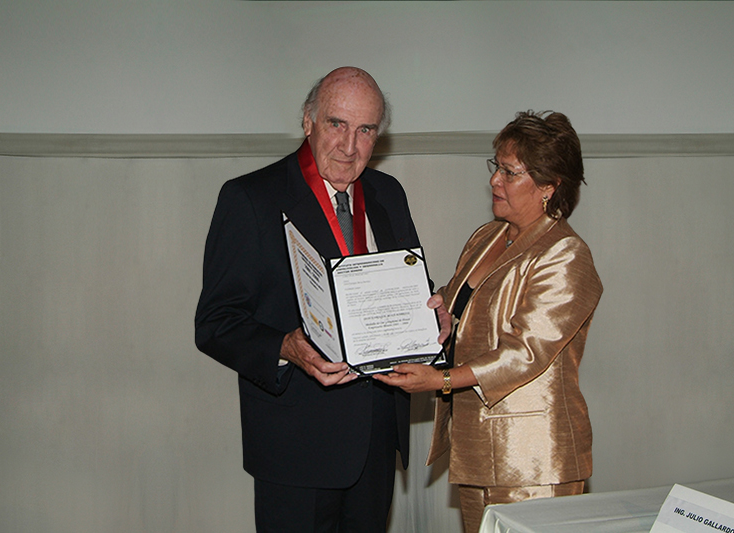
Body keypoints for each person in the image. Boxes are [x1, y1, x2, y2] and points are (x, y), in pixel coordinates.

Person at [195, 67, 449, 532]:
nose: (350, 146)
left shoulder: (388, 194)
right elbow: (215, 322)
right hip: (296, 447)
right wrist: (284, 346)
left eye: (366, 130)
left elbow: (410, 287)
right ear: (308, 121)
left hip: (375, 437)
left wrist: (434, 314)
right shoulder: (250, 198)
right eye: (337, 124)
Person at [375, 111, 603, 533]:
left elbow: (525, 353)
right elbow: (459, 301)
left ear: (549, 187)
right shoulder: (488, 236)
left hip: (534, 458)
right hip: (477, 445)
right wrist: (436, 308)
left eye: (510, 172)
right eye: (496, 166)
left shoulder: (565, 254)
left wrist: (439, 381)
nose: (495, 180)